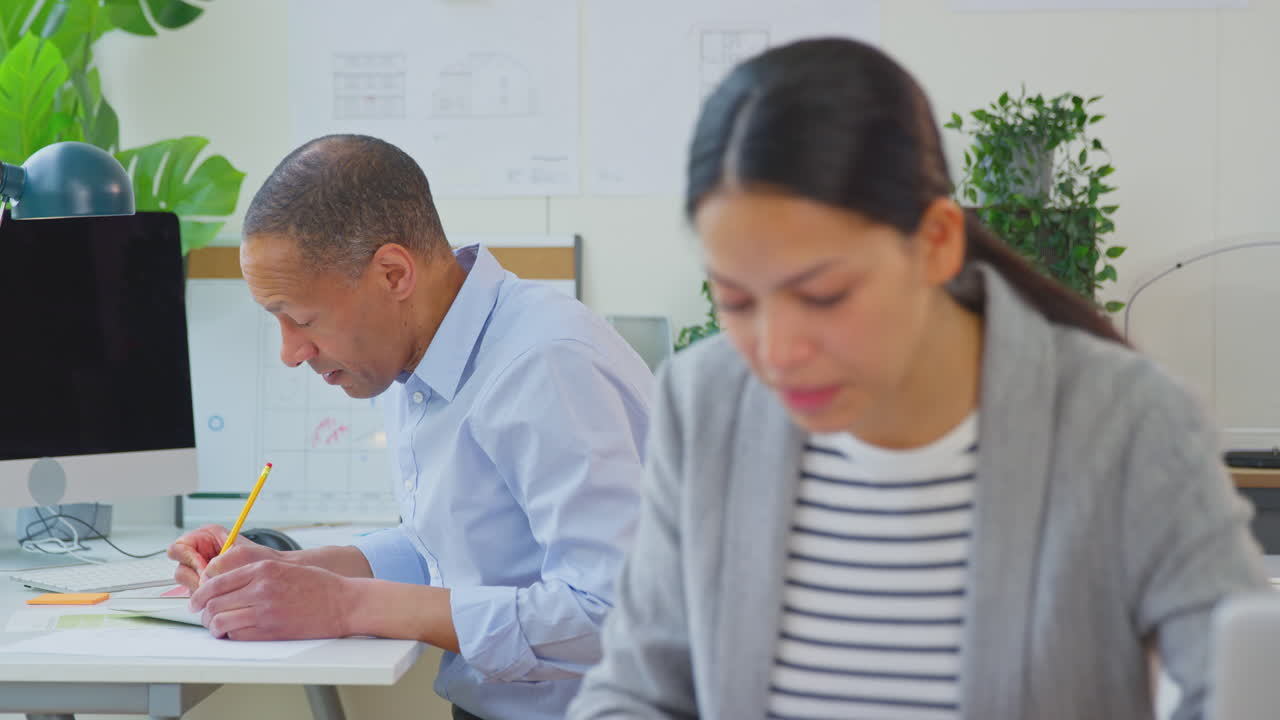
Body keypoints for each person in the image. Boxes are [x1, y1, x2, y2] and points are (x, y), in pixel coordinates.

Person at [567, 38, 1269, 720]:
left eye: (824, 295)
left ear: (936, 241)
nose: (777, 351)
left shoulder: (1128, 420)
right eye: (738, 301)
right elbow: (635, 689)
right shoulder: (707, 401)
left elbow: (1241, 690)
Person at [168, 135, 654, 720]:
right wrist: (292, 573)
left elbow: (610, 614)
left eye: (300, 319)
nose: (291, 353)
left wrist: (349, 605)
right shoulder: (415, 356)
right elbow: (455, 551)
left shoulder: (546, 365)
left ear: (394, 274)